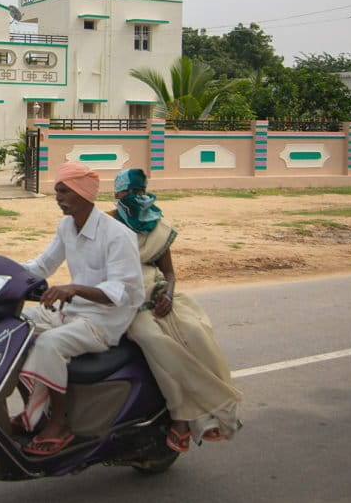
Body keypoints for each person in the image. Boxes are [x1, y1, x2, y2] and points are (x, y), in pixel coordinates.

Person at [14, 162, 145, 456]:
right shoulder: (67, 227)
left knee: (49, 343)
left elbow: (119, 292)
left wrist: (73, 289)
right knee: (15, 328)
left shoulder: (116, 235)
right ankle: (35, 412)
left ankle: (59, 425)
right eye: (56, 191)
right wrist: (2, 270)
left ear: (83, 193)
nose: (58, 198)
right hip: (73, 313)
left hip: (104, 321)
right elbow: (42, 265)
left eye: (64, 191)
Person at [113, 168, 242, 452]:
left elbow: (169, 273)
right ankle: (186, 414)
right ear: (117, 194)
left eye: (139, 192)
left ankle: (205, 414)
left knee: (196, 331)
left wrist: (169, 295)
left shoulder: (156, 226)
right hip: (126, 302)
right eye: (129, 192)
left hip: (158, 295)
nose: (136, 197)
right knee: (154, 341)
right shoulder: (108, 224)